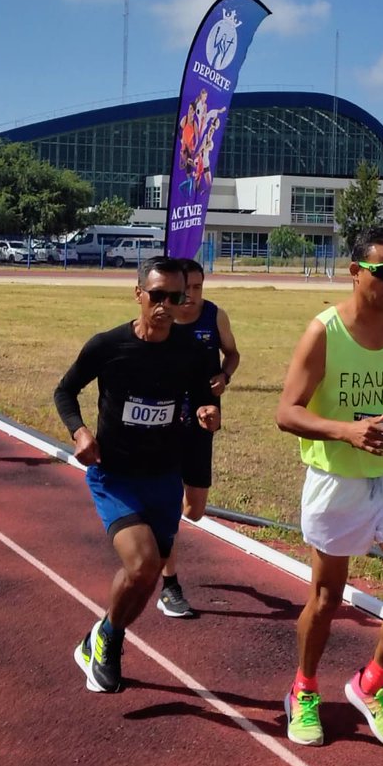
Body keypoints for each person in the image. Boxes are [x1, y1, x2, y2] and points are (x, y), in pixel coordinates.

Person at [275, 226, 383, 750]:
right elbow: (287, 412)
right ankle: (303, 688)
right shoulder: (324, 332)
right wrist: (347, 430)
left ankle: (371, 683)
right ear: (354, 272)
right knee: (326, 599)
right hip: (336, 479)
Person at [54, 256, 219, 694]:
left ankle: (102, 634)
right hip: (117, 477)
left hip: (164, 477)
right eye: (158, 295)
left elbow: (203, 394)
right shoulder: (108, 346)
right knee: (144, 563)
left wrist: (207, 410)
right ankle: (110, 639)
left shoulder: (193, 351)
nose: (167, 305)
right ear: (139, 294)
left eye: (177, 296)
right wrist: (81, 431)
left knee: (145, 578)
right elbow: (65, 390)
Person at [157, 257, 241, 618]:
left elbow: (233, 353)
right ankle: (169, 584)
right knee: (168, 504)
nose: (191, 295)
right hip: (165, 423)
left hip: (205, 422)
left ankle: (159, 525)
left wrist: (224, 376)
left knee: (195, 510)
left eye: (198, 288)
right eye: (185, 288)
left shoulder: (214, 316)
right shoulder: (164, 319)